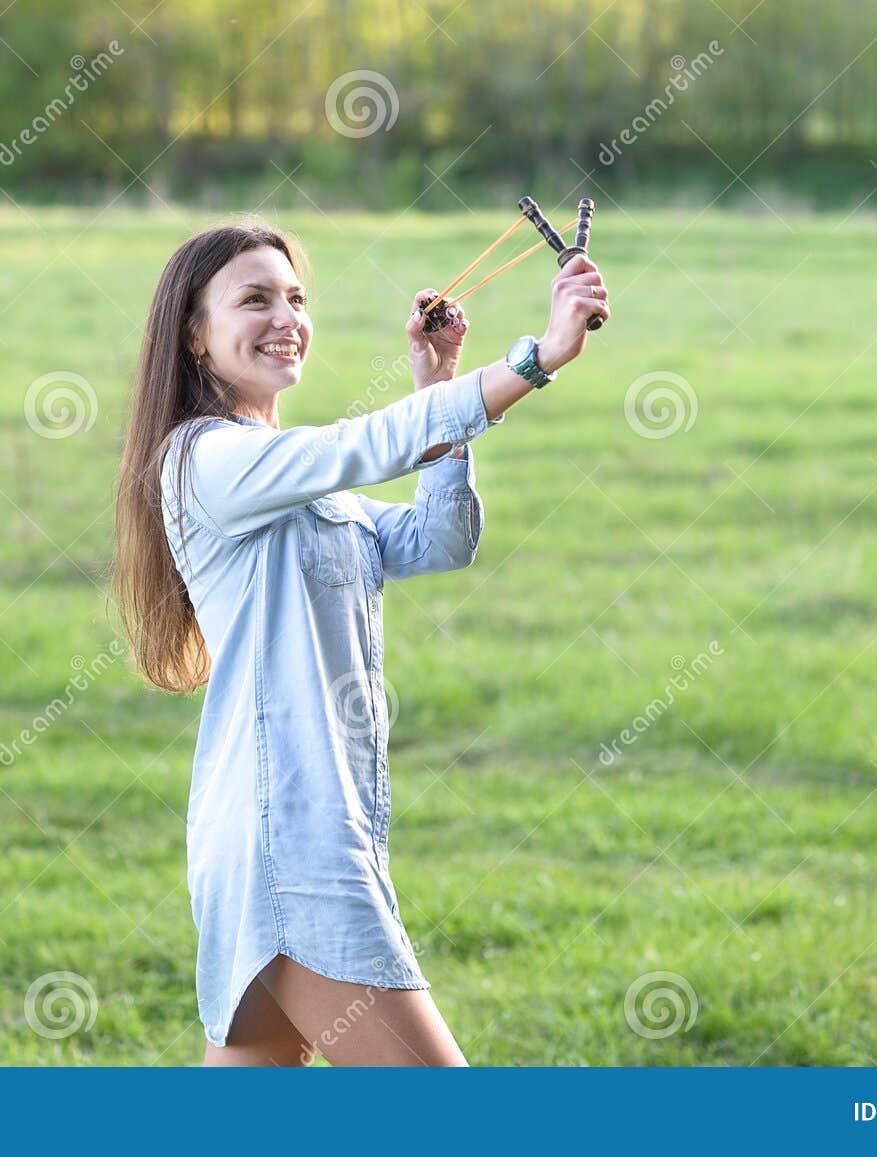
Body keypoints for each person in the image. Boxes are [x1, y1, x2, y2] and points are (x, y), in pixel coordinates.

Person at [112, 215, 610, 1066]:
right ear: (195, 336)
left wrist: (440, 386)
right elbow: (363, 444)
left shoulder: (293, 475)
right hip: (290, 847)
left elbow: (436, 540)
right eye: (255, 299)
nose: (286, 318)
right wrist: (536, 359)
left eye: (296, 297)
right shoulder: (203, 461)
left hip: (302, 835)